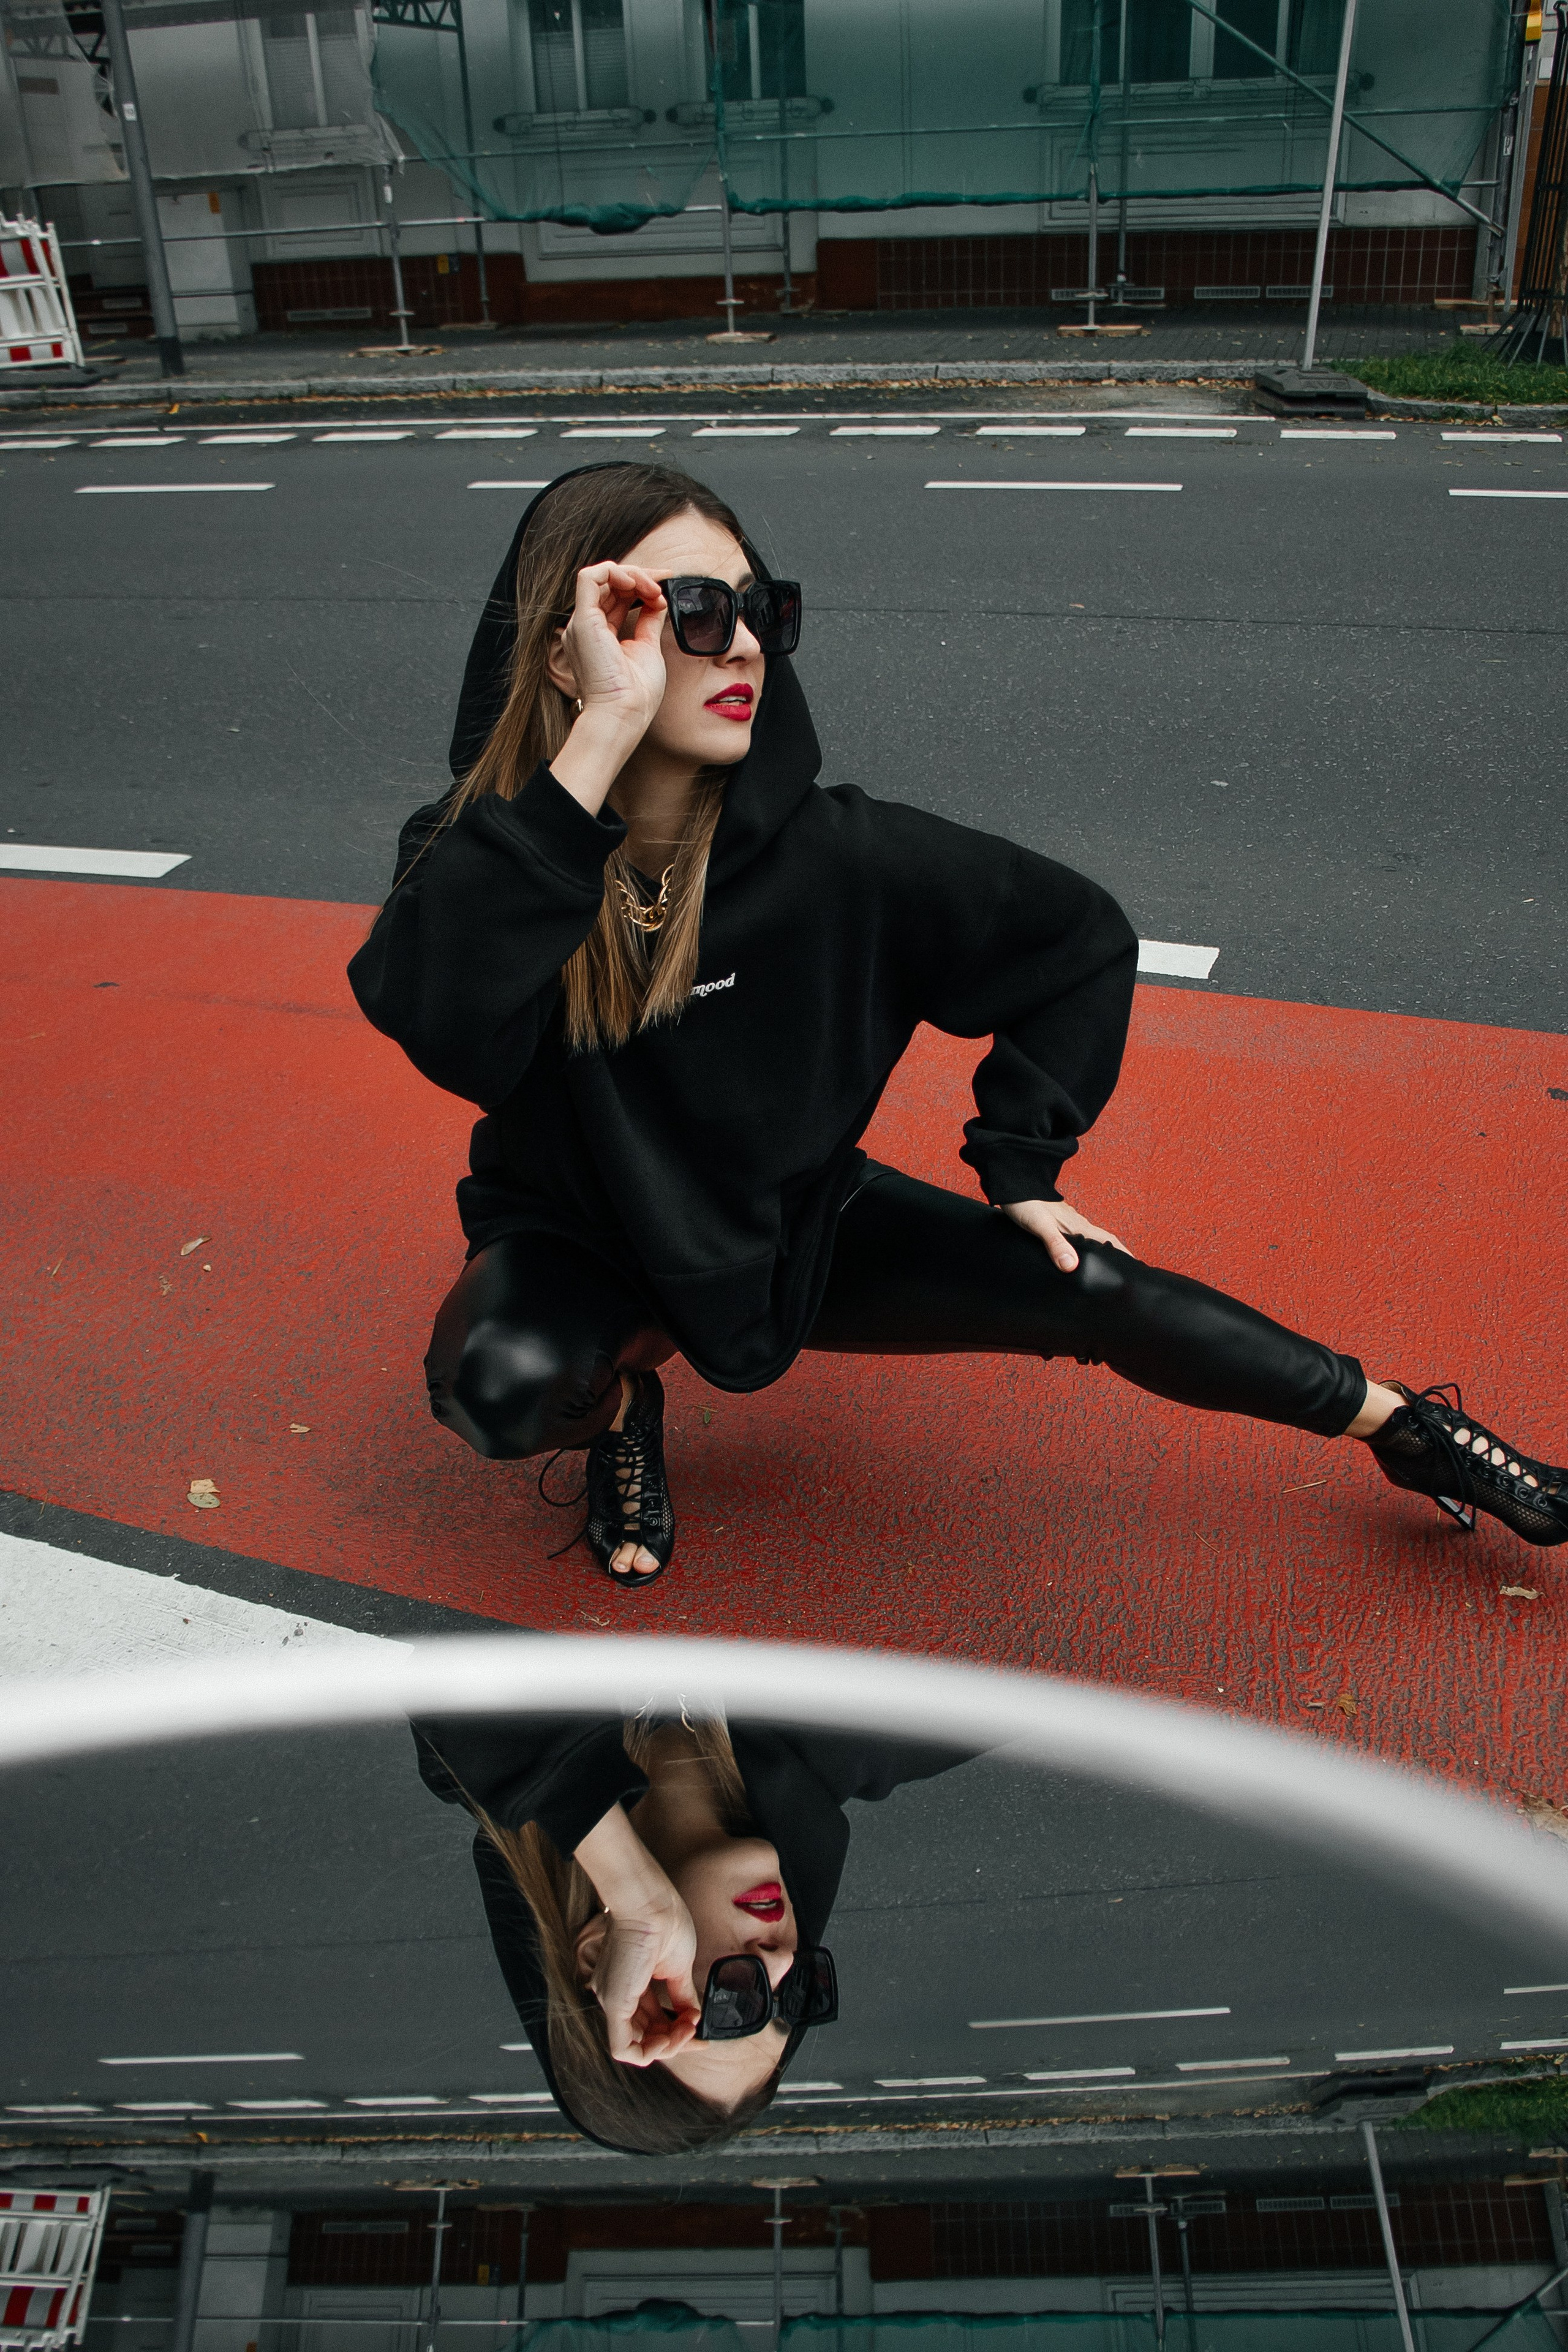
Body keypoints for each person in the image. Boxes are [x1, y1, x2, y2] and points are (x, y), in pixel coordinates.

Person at [349, 462, 1567, 1585]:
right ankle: (620, 1409)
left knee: (1085, 1282)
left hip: (790, 1230)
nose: (747, 647)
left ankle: (1407, 1427)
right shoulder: (481, 858)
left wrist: (1022, 1156)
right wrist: (600, 742)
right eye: (692, 612)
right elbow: (442, 1025)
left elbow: (1076, 939)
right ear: (573, 652)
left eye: (761, 608)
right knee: (500, 1383)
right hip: (578, 1235)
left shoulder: (845, 860)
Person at [412, 1706, 965, 2154]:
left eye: (733, 2002)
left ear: (602, 1958)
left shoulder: (486, 1755)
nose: (781, 1962)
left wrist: (627, 1882)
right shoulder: (881, 1728)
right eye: (792, 2000)